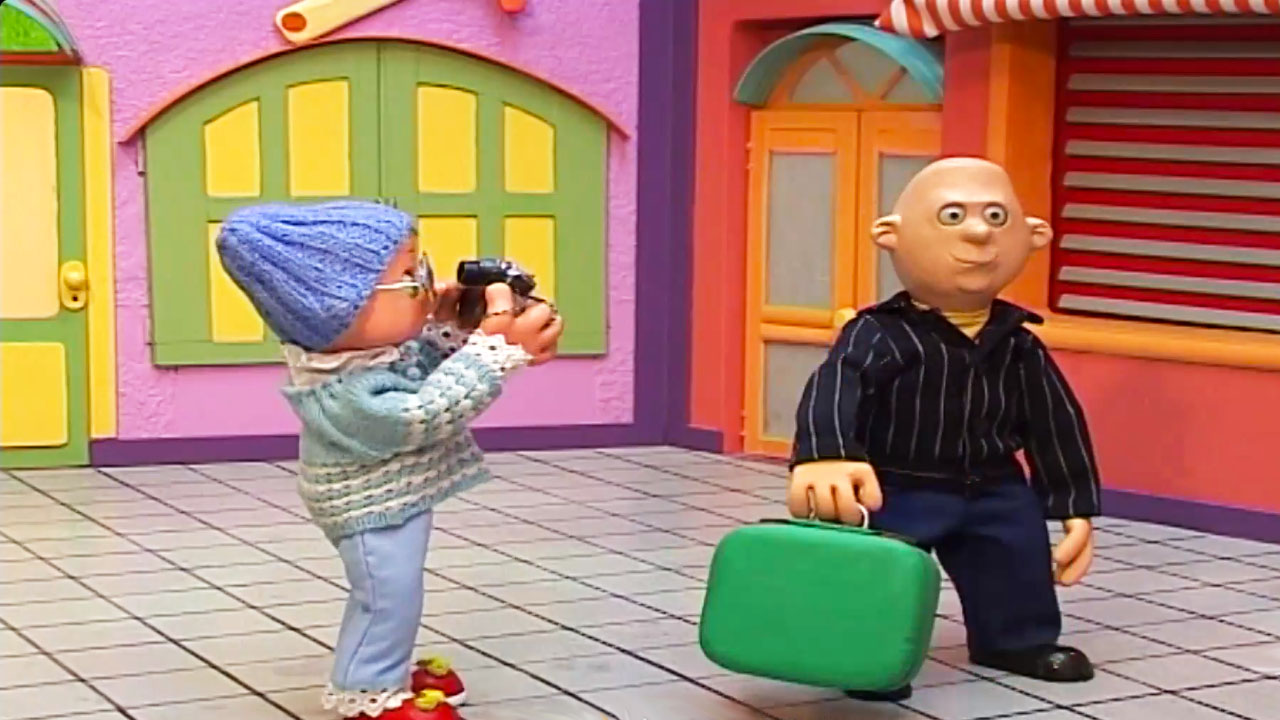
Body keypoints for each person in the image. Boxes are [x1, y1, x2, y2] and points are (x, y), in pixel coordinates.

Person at [217, 201, 562, 720]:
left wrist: (450, 328)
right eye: (410, 276)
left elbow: (419, 368)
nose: (428, 284)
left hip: (391, 496)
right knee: (385, 595)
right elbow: (423, 412)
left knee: (397, 589)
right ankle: (368, 691)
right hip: (364, 506)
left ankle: (386, 672)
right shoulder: (342, 392)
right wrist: (493, 350)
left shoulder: (363, 358)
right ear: (342, 307)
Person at [787, 158, 1100, 701]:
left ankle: (1015, 640)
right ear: (891, 235)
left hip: (995, 484)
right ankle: (868, 656)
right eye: (952, 216)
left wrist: (1073, 506)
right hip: (898, 485)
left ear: (1033, 237)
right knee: (880, 573)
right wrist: (826, 454)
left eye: (995, 217)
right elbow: (836, 387)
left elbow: (1054, 421)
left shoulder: (1018, 343)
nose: (978, 233)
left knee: (1016, 558)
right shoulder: (878, 334)